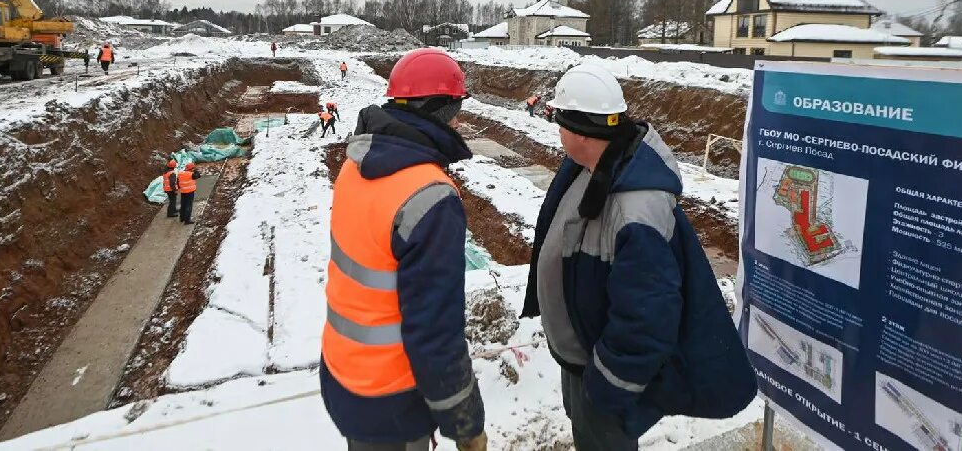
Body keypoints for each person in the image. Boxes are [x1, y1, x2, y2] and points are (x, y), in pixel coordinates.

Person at [521, 63, 755, 450]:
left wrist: (606, 387)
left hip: (604, 380)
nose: (557, 130)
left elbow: (647, 320)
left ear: (582, 131)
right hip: (581, 362)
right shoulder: (593, 166)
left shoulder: (634, 211)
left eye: (561, 122)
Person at [320, 48, 486, 451]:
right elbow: (435, 332)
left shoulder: (358, 164)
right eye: (457, 108)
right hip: (391, 395)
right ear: (439, 109)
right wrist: (465, 422)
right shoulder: (429, 197)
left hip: (343, 370)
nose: (460, 120)